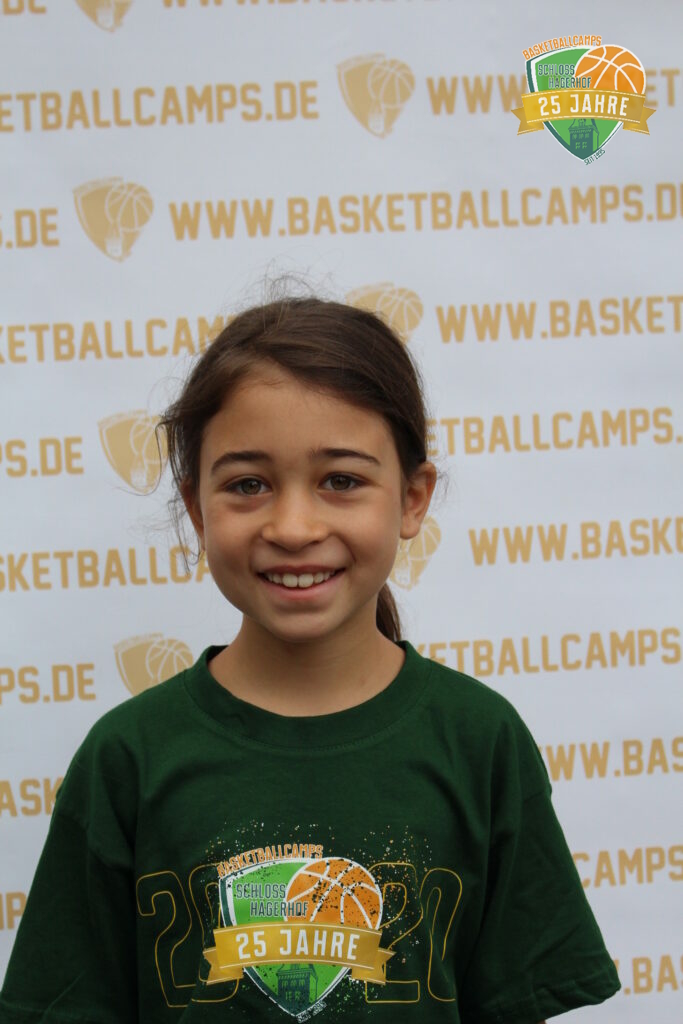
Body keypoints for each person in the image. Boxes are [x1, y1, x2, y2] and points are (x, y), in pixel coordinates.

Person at [0, 296, 620, 1023]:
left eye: (341, 481)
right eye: (248, 485)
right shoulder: (127, 758)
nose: (293, 528)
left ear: (412, 499)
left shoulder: (481, 741)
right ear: (197, 508)